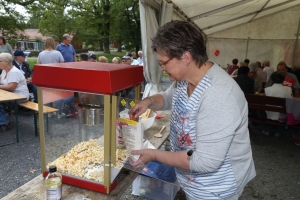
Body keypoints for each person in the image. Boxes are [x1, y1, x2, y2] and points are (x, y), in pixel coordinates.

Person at [129, 20, 255, 200]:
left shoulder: (219, 95)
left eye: (163, 63)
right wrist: (148, 101)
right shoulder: (185, 79)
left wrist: (154, 154)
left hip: (215, 188)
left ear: (186, 57)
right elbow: (167, 98)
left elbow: (205, 162)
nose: (162, 69)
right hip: (192, 179)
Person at [38, 37, 75, 118]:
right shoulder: (57, 53)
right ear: (53, 43)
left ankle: (49, 112)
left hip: (46, 77)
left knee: (48, 94)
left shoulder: (41, 54)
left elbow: (39, 66)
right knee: (57, 95)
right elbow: (62, 65)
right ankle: (59, 113)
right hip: (56, 77)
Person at [0, 53, 29, 131]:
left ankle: (4, 123)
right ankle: (2, 120)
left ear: (6, 62)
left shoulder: (14, 72)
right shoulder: (4, 71)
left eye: (0, 61)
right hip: (10, 95)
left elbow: (11, 87)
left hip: (20, 96)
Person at [263, 71, 293, 137]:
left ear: (272, 80)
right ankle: (279, 132)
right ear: (283, 79)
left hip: (269, 113)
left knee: (267, 111)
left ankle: (266, 130)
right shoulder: (288, 89)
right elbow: (290, 101)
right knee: (284, 111)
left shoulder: (267, 89)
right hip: (281, 115)